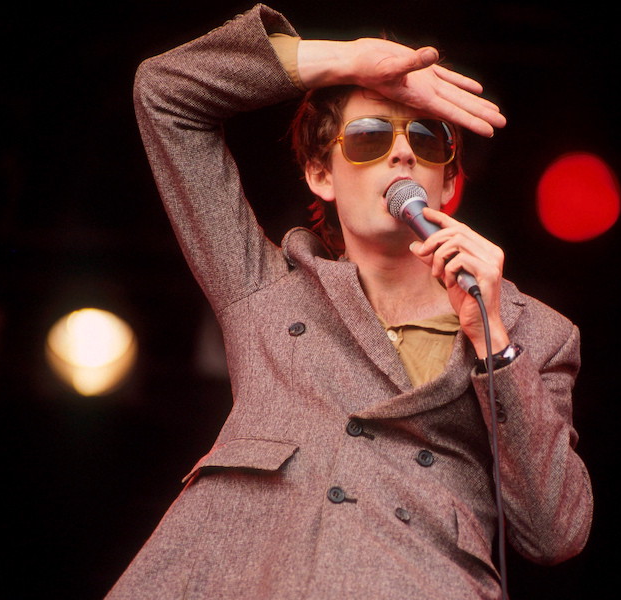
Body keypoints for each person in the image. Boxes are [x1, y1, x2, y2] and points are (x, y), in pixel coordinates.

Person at [107, 4, 592, 599]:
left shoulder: (535, 332)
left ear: (449, 181)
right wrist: (350, 60)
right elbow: (165, 92)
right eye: (367, 136)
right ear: (321, 173)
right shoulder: (266, 290)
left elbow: (555, 531)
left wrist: (494, 343)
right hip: (237, 578)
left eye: (425, 137)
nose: (402, 153)